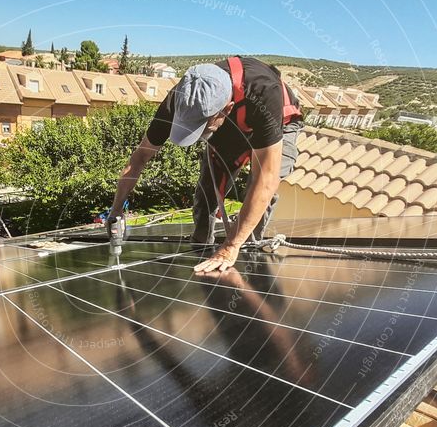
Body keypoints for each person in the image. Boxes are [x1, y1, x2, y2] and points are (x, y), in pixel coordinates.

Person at [106, 56, 303, 273]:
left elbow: (266, 179)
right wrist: (115, 211)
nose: (199, 136)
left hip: (281, 125)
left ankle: (248, 258)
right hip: (229, 129)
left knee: (257, 194)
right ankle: (201, 253)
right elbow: (140, 156)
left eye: (202, 129)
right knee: (206, 195)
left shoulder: (264, 92)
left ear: (226, 109)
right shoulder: (182, 98)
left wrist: (231, 245)